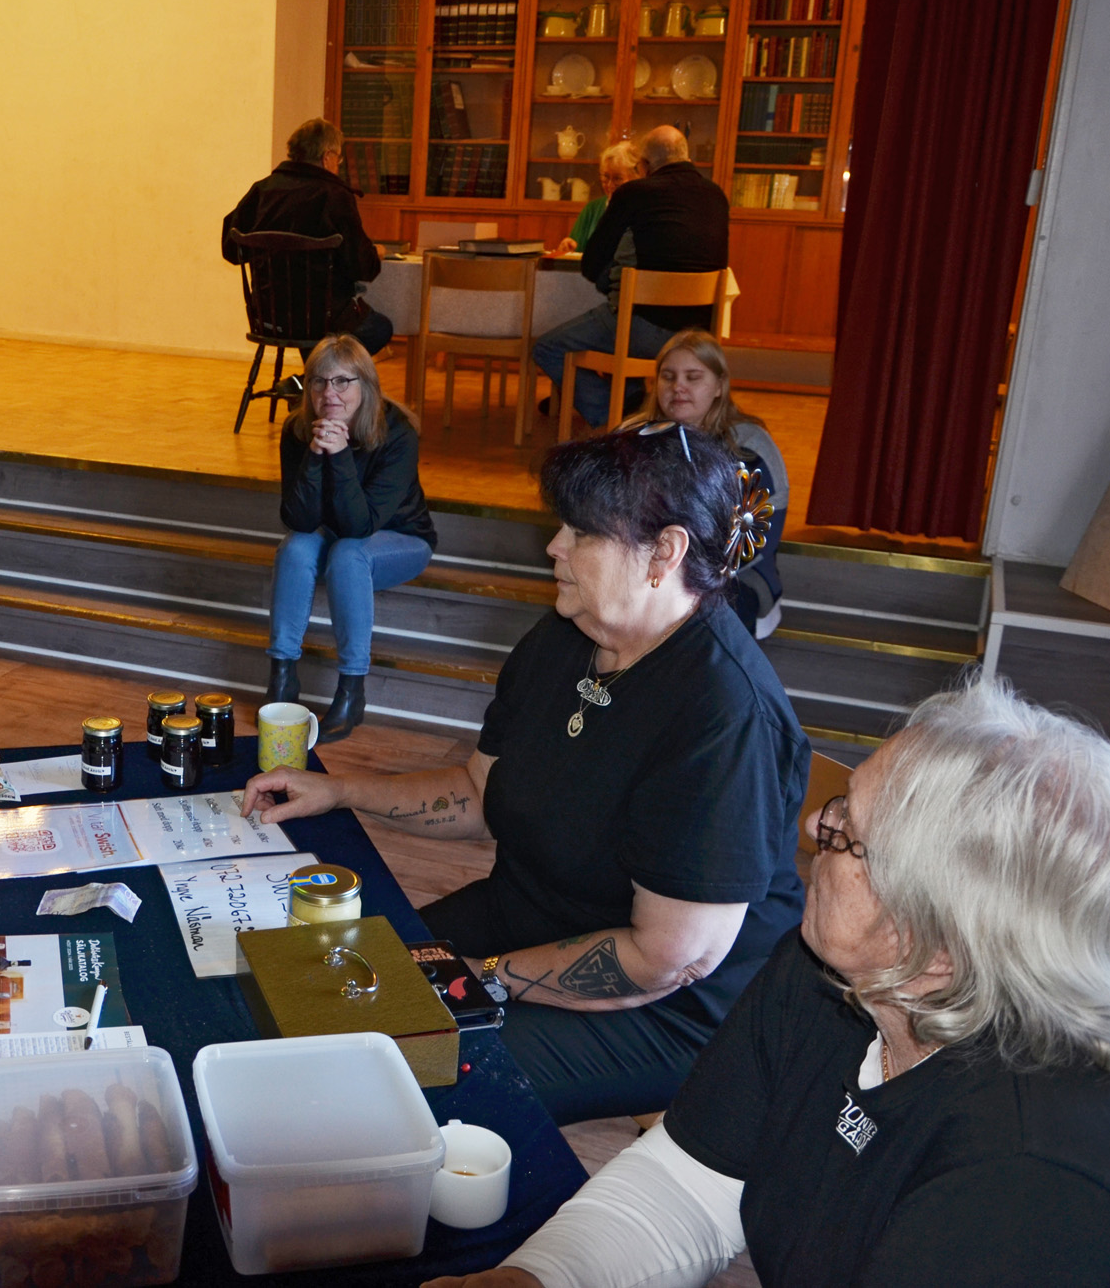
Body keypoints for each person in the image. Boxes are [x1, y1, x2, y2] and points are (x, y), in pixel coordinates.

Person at [425, 680, 1110, 1288]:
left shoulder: (1032, 1195)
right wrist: (530, 1281)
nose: (813, 831)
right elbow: (688, 1184)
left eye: (848, 835)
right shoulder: (835, 971)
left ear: (942, 946)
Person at [246, 424, 807, 1123]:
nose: (555, 547)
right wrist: (338, 789)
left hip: (672, 1011)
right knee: (328, 983)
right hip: (526, 915)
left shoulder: (724, 712)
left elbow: (668, 959)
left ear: (665, 551)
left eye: (582, 532)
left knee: (408, 1076)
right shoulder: (566, 636)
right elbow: (481, 791)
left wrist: (475, 979)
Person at [264, 334, 436, 741]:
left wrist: (339, 456)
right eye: (320, 381)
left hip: (400, 538)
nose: (330, 393)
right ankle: (282, 678)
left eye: (343, 382)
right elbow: (297, 519)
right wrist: (314, 454)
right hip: (332, 531)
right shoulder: (298, 429)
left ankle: (351, 691)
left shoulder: (397, 432)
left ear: (367, 386)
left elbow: (362, 526)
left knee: (346, 554)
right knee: (295, 547)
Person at [532, 126, 729, 429]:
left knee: (548, 346)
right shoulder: (716, 196)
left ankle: (622, 416)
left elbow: (592, 263)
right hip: (699, 332)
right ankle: (635, 399)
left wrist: (610, 281)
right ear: (686, 156)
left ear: (645, 167)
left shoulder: (635, 194)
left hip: (641, 327)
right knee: (611, 328)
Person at [623, 329, 787, 638]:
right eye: (668, 377)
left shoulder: (749, 446)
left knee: (708, 616)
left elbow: (757, 538)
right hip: (650, 569)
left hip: (735, 576)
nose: (678, 387)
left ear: (719, 386)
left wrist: (681, 576)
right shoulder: (633, 438)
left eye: (693, 377)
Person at [222, 117, 392, 358]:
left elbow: (231, 250)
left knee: (318, 328)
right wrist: (375, 254)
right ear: (327, 157)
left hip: (269, 317)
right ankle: (304, 383)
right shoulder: (335, 196)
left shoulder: (262, 191)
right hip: (322, 318)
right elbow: (362, 268)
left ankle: (308, 385)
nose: (338, 165)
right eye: (339, 158)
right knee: (378, 327)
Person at [551, 140, 641, 259]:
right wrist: (566, 248)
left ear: (635, 178)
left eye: (617, 179)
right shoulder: (592, 210)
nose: (609, 185)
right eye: (606, 177)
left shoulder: (642, 211)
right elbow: (574, 250)